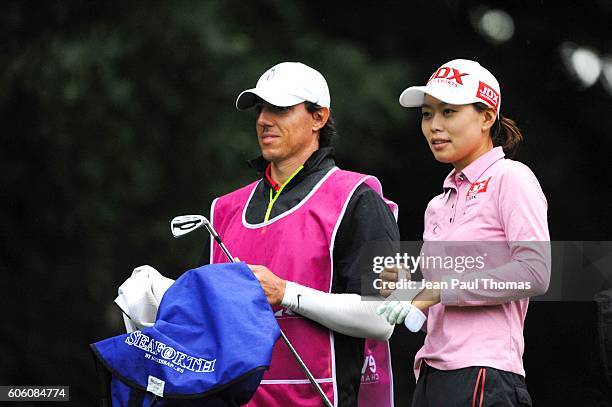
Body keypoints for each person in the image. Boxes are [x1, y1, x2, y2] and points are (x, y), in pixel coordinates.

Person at [203, 62, 400, 406]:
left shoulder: (361, 197)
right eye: (260, 109)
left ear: (319, 117)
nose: (264, 119)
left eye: (280, 109)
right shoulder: (223, 210)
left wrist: (286, 293)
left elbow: (384, 318)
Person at [378, 59, 551, 406]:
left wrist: (438, 289)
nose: (434, 127)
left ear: (487, 117)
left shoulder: (511, 178)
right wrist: (407, 293)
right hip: (431, 374)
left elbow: (534, 273)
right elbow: (438, 309)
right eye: (427, 114)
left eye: (448, 113)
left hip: (484, 374)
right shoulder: (437, 205)